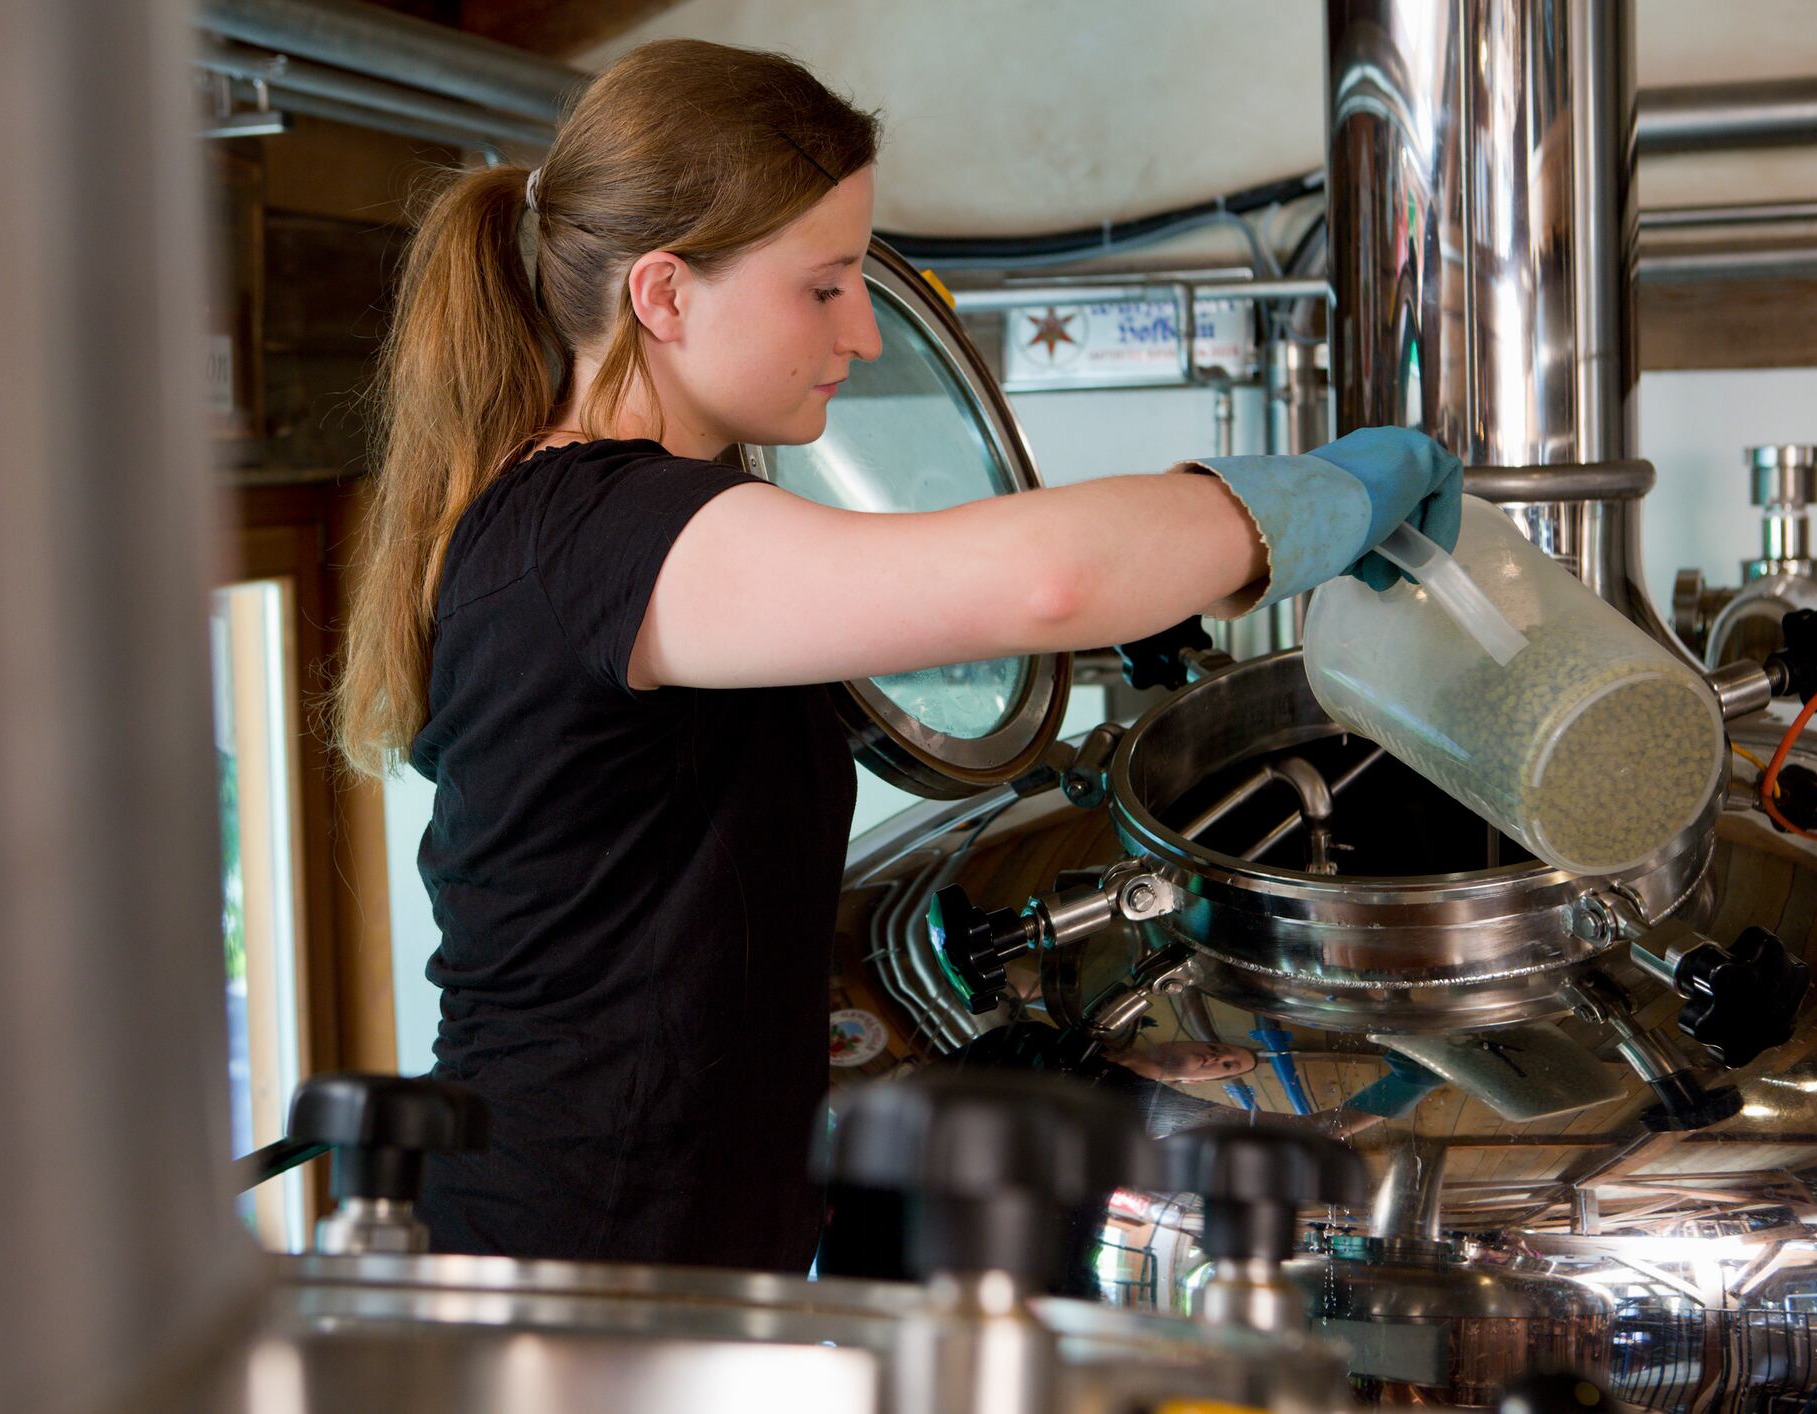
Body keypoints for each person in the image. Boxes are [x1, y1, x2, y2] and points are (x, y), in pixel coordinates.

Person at [332, 37, 1462, 1274]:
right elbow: (1049, 581)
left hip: (658, 1244)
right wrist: (1316, 502)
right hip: (570, 1266)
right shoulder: (607, 536)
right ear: (663, 295)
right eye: (824, 287)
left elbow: (689, 925)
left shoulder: (620, 520)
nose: (863, 334)